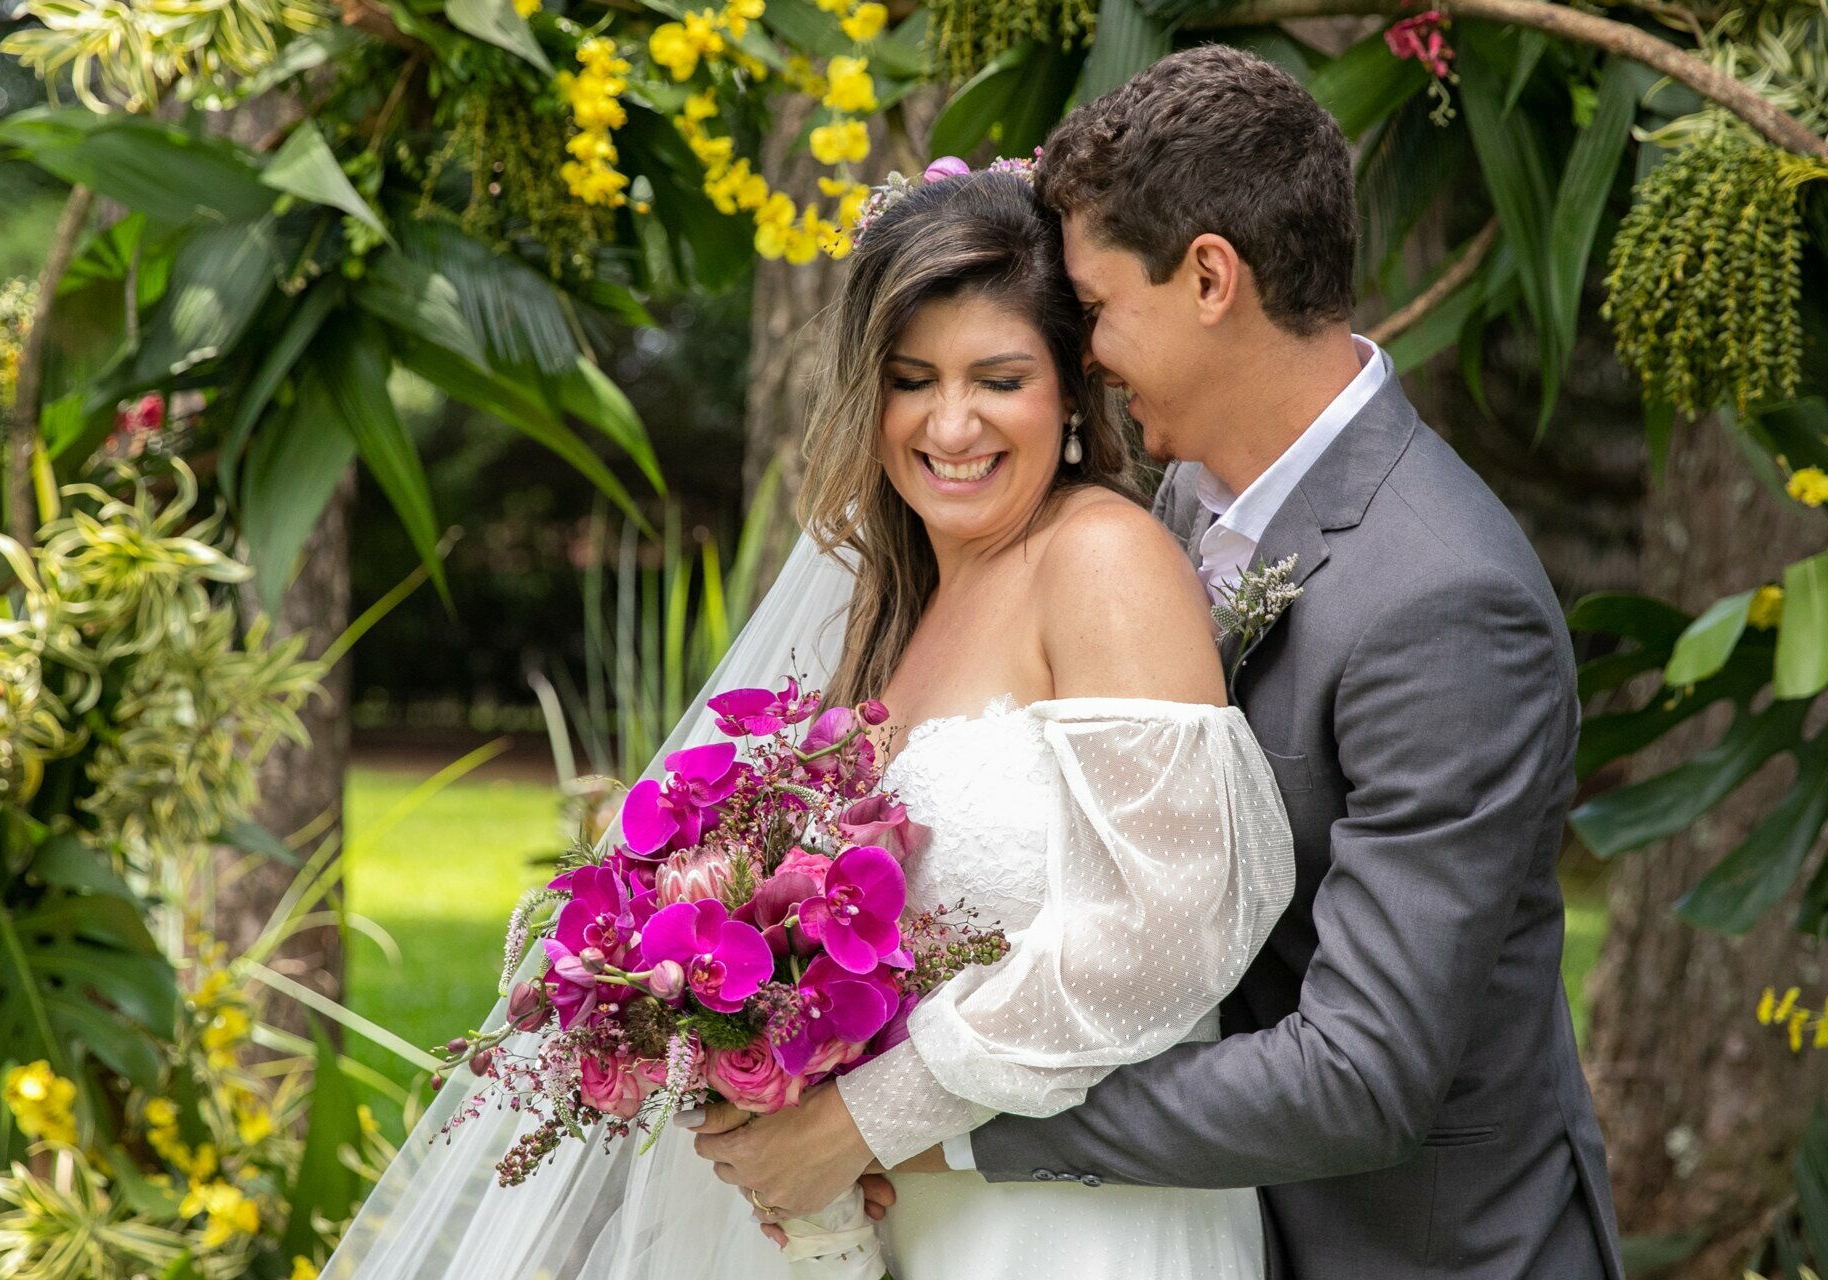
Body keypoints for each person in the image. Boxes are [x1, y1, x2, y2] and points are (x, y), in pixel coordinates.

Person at [696, 45, 1624, 1280]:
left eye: (1092, 309)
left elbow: (1360, 1073)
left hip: (1414, 1252)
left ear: (1207, 277)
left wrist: (920, 1133)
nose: (1084, 350)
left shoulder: (1444, 599)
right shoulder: (1180, 502)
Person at [324, 142, 1294, 1280]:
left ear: (1072, 389)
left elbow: (1173, 927)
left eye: (999, 377)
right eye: (912, 378)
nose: (951, 425)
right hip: (910, 1213)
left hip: (1074, 1230)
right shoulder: (905, 607)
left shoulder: (1102, 560)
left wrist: (863, 1119)